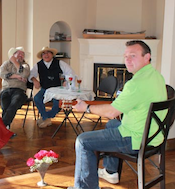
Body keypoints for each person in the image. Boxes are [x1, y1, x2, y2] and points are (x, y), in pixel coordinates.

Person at [68, 40, 167, 189]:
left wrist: (86, 107)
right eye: (126, 56)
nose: (127, 59)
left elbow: (111, 112)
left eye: (132, 55)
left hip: (135, 138)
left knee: (83, 141)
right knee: (112, 124)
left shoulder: (135, 84)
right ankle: (110, 171)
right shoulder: (157, 77)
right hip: (152, 134)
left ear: (147, 57)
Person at [29, 46, 75, 128]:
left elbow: (70, 73)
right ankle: (46, 118)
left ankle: (45, 117)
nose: (46, 55)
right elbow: (31, 74)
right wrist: (34, 80)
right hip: (45, 89)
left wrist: (66, 81)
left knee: (58, 104)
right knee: (36, 98)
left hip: (58, 89)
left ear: (52, 54)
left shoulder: (60, 63)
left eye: (48, 53)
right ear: (42, 56)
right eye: (44, 53)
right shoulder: (38, 65)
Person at [0, 47, 30, 129]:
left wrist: (15, 62)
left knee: (14, 102)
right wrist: (16, 76)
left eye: (22, 54)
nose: (21, 55)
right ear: (13, 55)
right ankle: (6, 126)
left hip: (19, 90)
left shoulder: (25, 65)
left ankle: (2, 125)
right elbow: (1, 73)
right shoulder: (6, 63)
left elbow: (24, 74)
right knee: (5, 104)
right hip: (6, 89)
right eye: (19, 53)